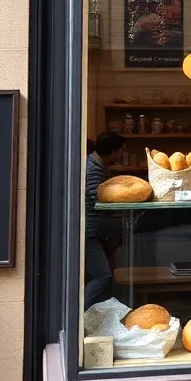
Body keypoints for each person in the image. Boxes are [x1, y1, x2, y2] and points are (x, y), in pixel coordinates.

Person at [84, 131, 124, 310]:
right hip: (89, 231)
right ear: (114, 152)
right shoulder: (94, 169)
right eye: (121, 150)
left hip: (94, 230)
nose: (121, 154)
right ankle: (79, 310)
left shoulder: (95, 165)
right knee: (103, 275)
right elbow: (95, 199)